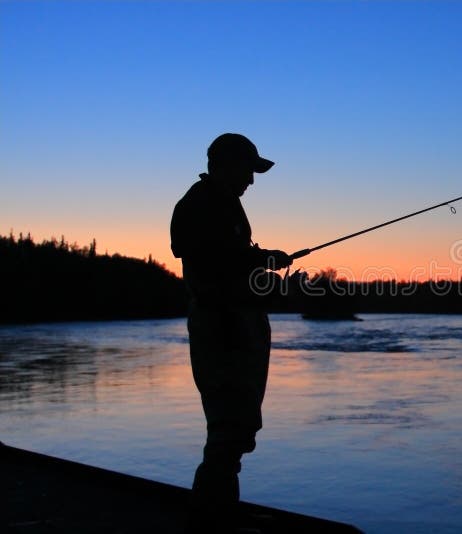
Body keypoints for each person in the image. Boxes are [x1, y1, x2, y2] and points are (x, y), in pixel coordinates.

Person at [170, 133, 291, 532]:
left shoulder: (222, 204)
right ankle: (210, 519)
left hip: (237, 326)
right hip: (223, 331)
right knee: (228, 428)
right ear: (225, 164)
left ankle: (221, 511)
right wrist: (264, 262)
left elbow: (231, 260)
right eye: (248, 171)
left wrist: (264, 262)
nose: (252, 182)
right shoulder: (199, 205)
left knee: (237, 429)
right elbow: (216, 264)